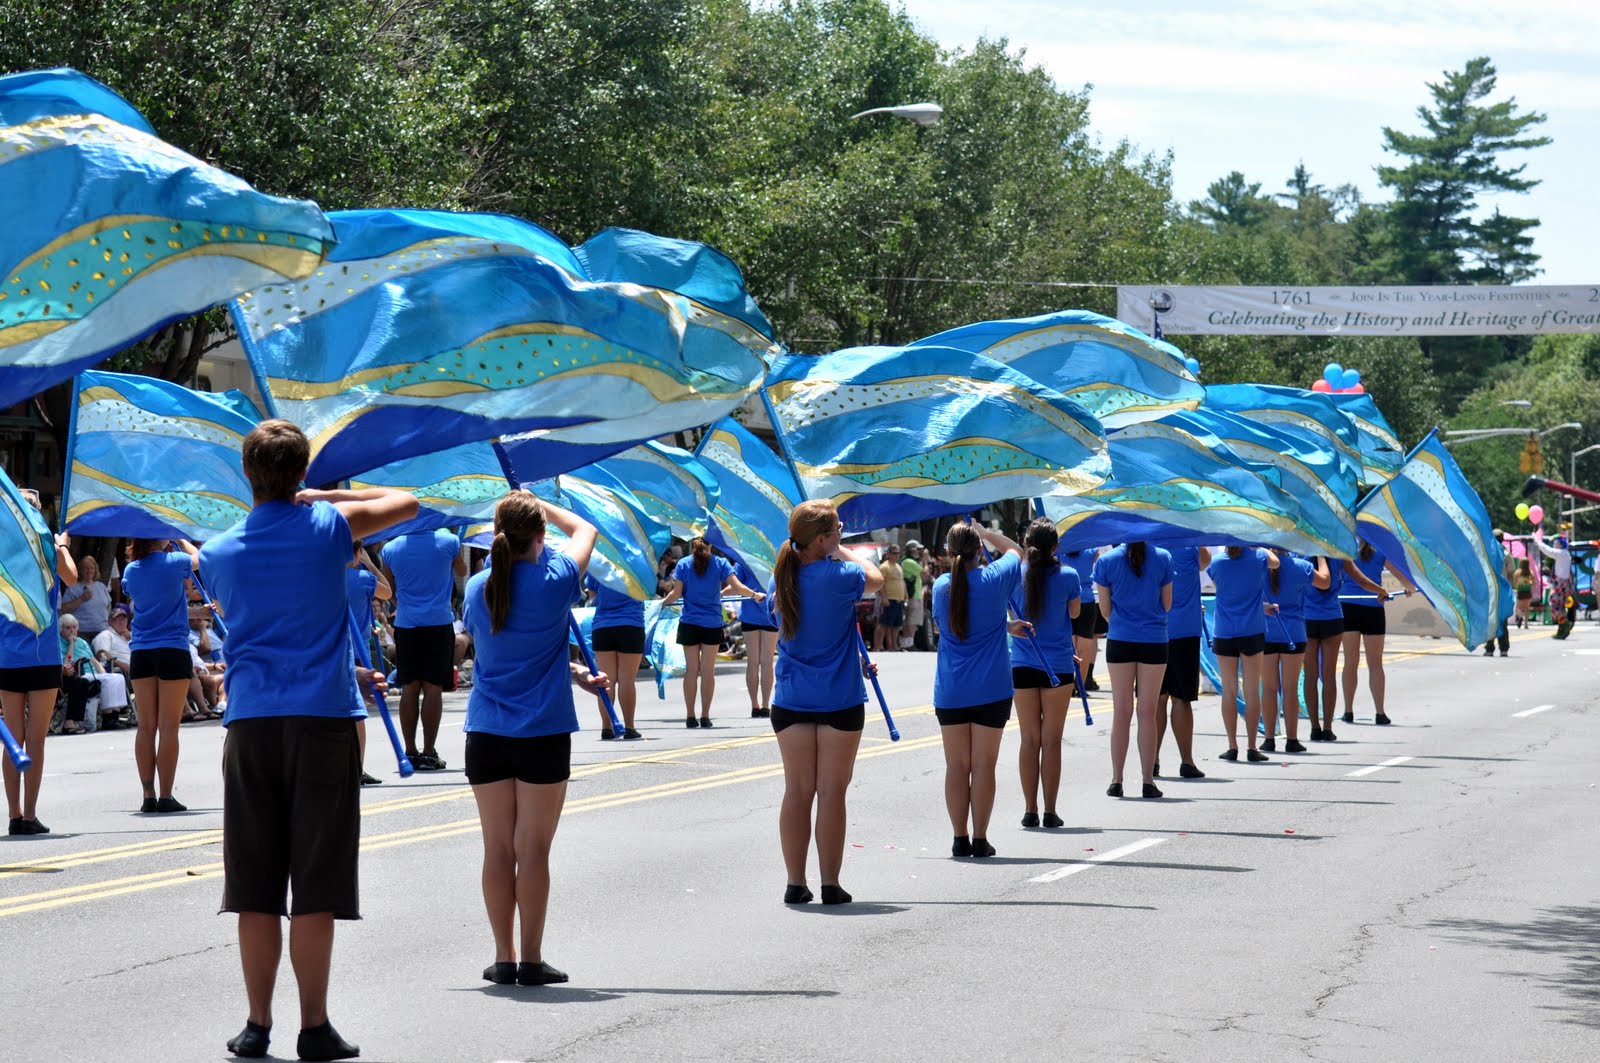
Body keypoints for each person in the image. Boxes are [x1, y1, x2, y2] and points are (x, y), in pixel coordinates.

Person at [199, 419, 417, 1061]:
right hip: (322, 717)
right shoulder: (329, 526)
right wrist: (323, 496)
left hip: (252, 722)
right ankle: (314, 1027)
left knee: (255, 884)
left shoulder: (216, 552)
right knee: (315, 882)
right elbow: (407, 501)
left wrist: (295, 493)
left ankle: (257, 1024)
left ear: (247, 474)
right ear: (301, 473)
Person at [461, 492, 606, 987]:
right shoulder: (555, 579)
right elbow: (585, 530)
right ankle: (531, 957)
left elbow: (501, 649)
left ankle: (502, 957)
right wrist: (543, 500)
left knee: (497, 850)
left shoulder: (477, 587)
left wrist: (571, 670)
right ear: (541, 535)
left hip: (486, 731)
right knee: (534, 851)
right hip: (543, 730)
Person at [769, 500, 884, 904]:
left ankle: (795, 882)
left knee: (797, 791)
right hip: (839, 696)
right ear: (821, 539)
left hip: (791, 698)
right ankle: (830, 883)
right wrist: (842, 550)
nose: (841, 534)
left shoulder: (781, 579)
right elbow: (875, 578)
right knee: (832, 792)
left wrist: (829, 545)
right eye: (837, 530)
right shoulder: (840, 575)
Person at [934, 520, 1024, 856]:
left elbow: (952, 625)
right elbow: (1016, 550)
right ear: (978, 551)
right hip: (992, 687)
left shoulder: (941, 587)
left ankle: (959, 838)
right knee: (984, 765)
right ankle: (981, 838)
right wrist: (987, 534)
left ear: (948, 552)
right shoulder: (993, 578)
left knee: (956, 766)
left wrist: (1003, 625)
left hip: (952, 689)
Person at [1, 495, 75, 836]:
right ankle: (29, 814)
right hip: (42, 654)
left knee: (13, 738)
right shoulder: (47, 549)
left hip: (7, 654)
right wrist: (62, 547)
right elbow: (71, 577)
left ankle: (14, 814)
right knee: (35, 739)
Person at [123, 537, 203, 813]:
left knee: (146, 726)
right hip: (172, 647)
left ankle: (148, 795)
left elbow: (152, 601)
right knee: (169, 726)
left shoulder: (131, 569)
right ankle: (166, 795)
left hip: (142, 650)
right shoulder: (175, 561)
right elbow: (201, 557)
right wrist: (181, 537)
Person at [1011, 519, 1080, 828]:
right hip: (1058, 664)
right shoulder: (1068, 575)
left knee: (1029, 739)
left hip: (1023, 663)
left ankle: (1030, 809)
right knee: (1051, 741)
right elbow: (1075, 612)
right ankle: (1050, 810)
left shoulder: (1015, 574)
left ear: (1026, 543)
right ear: (1056, 546)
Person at [381, 528, 468, 770]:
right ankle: (429, 752)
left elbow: (388, 588)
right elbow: (462, 571)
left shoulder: (391, 547)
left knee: (409, 686)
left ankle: (409, 751)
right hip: (438, 621)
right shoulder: (449, 541)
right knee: (433, 687)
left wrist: (404, 603)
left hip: (406, 622)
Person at [1094, 542, 1173, 798]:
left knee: (1121, 711)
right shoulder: (1163, 557)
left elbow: (1105, 610)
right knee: (1148, 711)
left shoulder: (1106, 561)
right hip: (1154, 638)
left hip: (1120, 638)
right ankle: (1148, 781)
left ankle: (1117, 780)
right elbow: (1167, 604)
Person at [659, 537, 765, 728]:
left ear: (693, 543)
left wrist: (659, 604)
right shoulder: (720, 563)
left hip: (689, 623)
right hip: (712, 623)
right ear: (711, 544)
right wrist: (755, 595)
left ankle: (690, 716)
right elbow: (737, 587)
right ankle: (705, 716)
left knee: (691, 670)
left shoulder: (683, 564)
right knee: (708, 671)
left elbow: (675, 594)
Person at [1206, 546, 1279, 763]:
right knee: (1251, 689)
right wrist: (1261, 546)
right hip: (1252, 629)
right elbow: (1276, 562)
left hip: (1225, 630)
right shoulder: (1259, 557)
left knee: (1229, 690)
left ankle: (1232, 745)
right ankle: (1251, 746)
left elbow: (1225, 590)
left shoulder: (1217, 562)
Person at [1339, 541, 1418, 726]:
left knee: (1350, 662)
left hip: (1347, 606)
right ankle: (1380, 712)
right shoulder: (1380, 549)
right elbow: (1401, 575)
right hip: (1373, 608)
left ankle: (1348, 711)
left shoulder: (1345, 548)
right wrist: (1410, 588)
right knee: (1375, 664)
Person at [1261, 552, 1326, 753]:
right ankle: (1292, 739)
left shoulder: (1259, 564)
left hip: (1266, 632)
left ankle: (1269, 738)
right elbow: (1325, 583)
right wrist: (1321, 558)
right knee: (1290, 689)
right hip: (1294, 632)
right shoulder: (1301, 566)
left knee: (1269, 688)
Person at [1155, 545, 1210, 780]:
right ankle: (1186, 760)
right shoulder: (1190, 547)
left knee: (1156, 700)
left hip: (1154, 630)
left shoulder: (1150, 547)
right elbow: (1205, 560)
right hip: (1185, 630)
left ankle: (1152, 759)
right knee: (1181, 699)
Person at [347, 542, 393, 783]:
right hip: (357, 653)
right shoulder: (362, 578)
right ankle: (357, 767)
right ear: (357, 553)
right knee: (357, 714)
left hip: (332, 652)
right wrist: (369, 564)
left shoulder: (321, 578)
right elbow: (387, 592)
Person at [587, 575, 645, 739]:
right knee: (627, 679)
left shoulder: (599, 565)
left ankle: (607, 727)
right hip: (631, 623)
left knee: (606, 680)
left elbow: (592, 594)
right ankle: (629, 727)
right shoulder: (636, 565)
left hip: (602, 625)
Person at [57, 614, 106, 735]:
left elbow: (94, 661)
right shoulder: (58, 642)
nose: (72, 631)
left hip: (89, 673)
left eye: (74, 627)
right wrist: (71, 644)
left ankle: (111, 716)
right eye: (68, 628)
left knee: (115, 679)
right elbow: (67, 663)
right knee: (81, 682)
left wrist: (105, 674)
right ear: (61, 630)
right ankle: (71, 721)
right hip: (68, 675)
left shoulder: (82, 642)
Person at [1063, 547, 1104, 691]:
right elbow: (1102, 560)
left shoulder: (1060, 552)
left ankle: (1070, 685)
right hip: (1086, 602)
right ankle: (1080, 685)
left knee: (1070, 647)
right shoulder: (1090, 551)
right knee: (1084, 649)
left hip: (1067, 602)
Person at [92, 604, 134, 728]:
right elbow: (102, 654)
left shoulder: (128, 637)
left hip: (136, 668)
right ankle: (116, 716)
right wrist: (121, 664)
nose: (122, 622)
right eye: (118, 619)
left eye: (124, 619)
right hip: (119, 670)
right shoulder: (106, 635)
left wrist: (132, 639)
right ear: (110, 621)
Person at [739, 588, 778, 720]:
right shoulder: (774, 572)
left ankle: (755, 705)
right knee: (767, 662)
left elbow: (736, 586)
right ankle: (765, 705)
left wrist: (719, 593)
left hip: (749, 615)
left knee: (752, 662)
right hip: (769, 615)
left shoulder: (744, 571)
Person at [60, 555, 113, 643]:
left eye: (92, 568)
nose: (89, 571)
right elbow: (63, 609)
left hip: (102, 631)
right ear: (80, 570)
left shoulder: (101, 586)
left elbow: (108, 606)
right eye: (86, 568)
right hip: (81, 633)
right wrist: (81, 599)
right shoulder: (73, 587)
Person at [1532, 531, 1575, 638]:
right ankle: (1562, 629)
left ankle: (1564, 624)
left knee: (1554, 603)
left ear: (1561, 544)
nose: (1555, 545)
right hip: (1565, 583)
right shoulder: (1565, 554)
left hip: (1560, 583)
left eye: (1556, 543)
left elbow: (1547, 550)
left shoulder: (1561, 553)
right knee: (1560, 605)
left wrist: (1537, 540)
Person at [873, 544, 907, 652]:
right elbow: (880, 583)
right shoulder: (884, 567)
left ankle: (893, 646)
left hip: (899, 599)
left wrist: (905, 595)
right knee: (884, 623)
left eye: (898, 553)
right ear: (889, 554)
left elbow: (902, 582)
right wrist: (884, 598)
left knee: (896, 624)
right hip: (889, 599)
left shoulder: (899, 566)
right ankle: (878, 646)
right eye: (895, 553)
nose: (897, 555)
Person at [903, 540, 928, 650]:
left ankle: (909, 642)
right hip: (913, 596)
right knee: (911, 621)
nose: (919, 552)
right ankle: (909, 644)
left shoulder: (911, 562)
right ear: (912, 550)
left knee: (913, 621)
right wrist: (925, 561)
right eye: (918, 549)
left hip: (915, 595)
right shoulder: (909, 562)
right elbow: (925, 574)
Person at [1512, 558, 1534, 629]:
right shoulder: (1530, 573)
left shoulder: (1517, 573)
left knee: (1518, 608)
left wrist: (1518, 585)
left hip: (1520, 592)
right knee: (1527, 608)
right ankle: (1526, 624)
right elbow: (1533, 583)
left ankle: (1520, 617)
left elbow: (1514, 583)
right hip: (1528, 592)